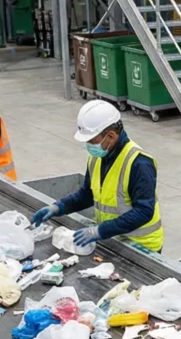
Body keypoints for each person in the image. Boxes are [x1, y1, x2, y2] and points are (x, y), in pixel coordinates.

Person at [30, 100, 163, 252]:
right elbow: (87, 194)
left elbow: (143, 211)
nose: (89, 145)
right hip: (114, 240)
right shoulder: (98, 157)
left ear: (111, 136)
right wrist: (58, 207)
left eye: (92, 141)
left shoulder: (138, 163)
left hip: (143, 247)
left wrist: (99, 231)